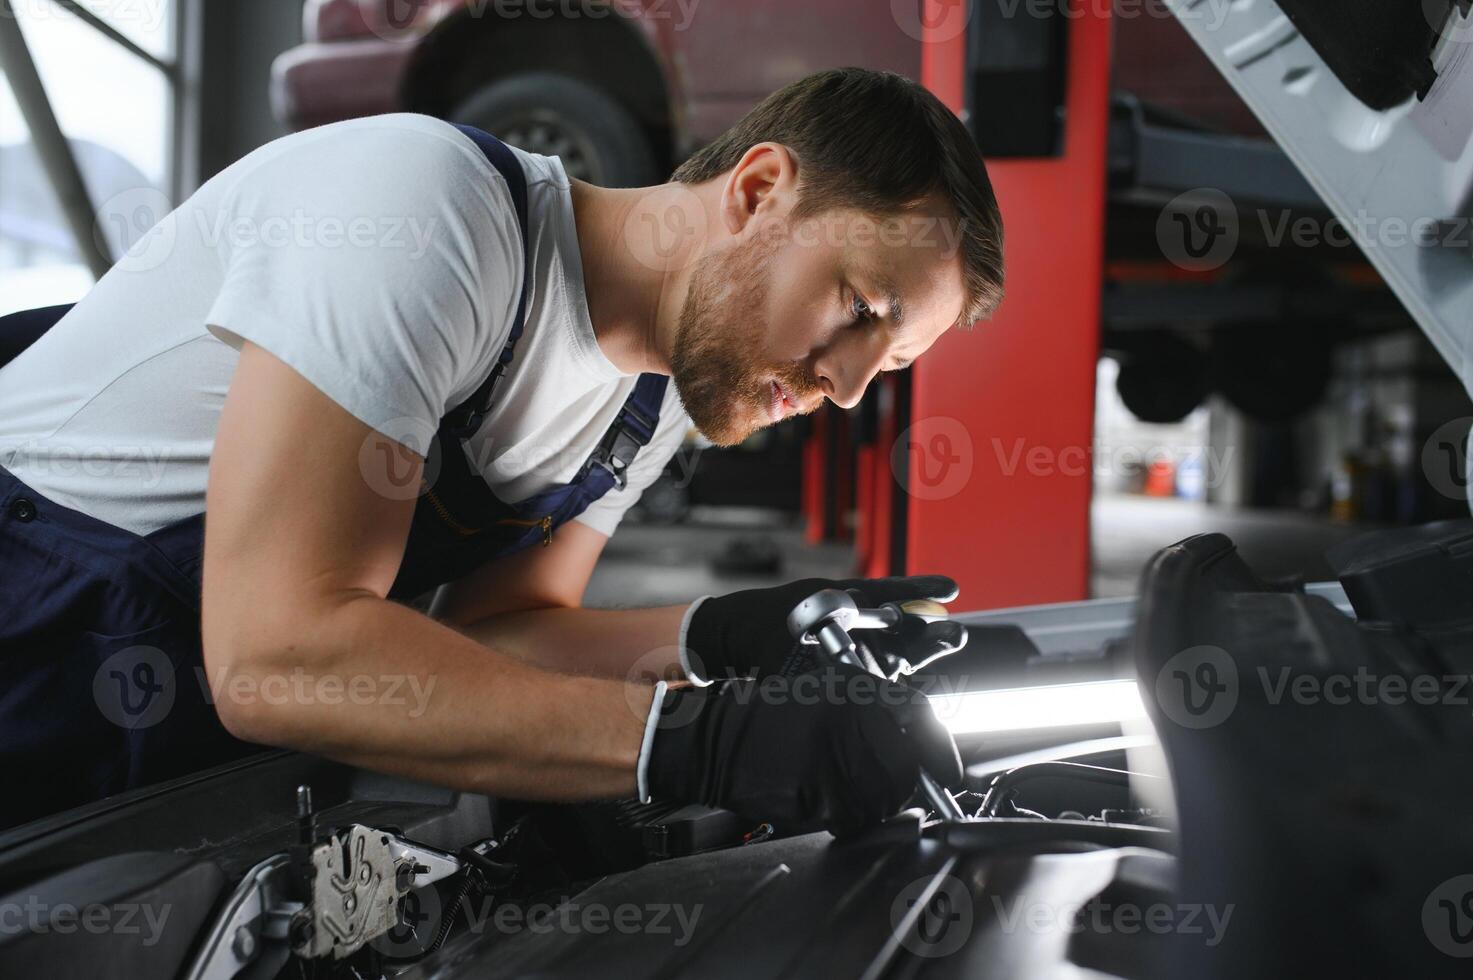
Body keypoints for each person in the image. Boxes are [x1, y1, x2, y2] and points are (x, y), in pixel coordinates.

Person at [0, 68, 1004, 831]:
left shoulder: (646, 406)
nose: (847, 384)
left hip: (144, 740)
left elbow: (494, 636)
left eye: (890, 361)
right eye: (860, 307)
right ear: (759, 189)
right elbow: (277, 652)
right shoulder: (430, 210)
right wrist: (695, 741)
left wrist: (732, 635)